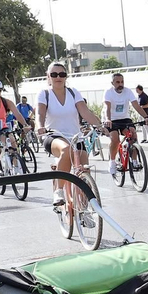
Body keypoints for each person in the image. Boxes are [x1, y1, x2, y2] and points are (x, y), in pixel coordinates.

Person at [36, 62, 107, 209]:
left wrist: (100, 125)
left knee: (83, 170)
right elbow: (40, 113)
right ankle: (58, 191)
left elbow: (85, 112)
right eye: (54, 75)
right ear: (48, 76)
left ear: (66, 76)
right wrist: (40, 126)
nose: (58, 78)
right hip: (53, 136)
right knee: (65, 149)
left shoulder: (73, 92)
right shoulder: (45, 93)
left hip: (76, 137)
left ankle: (83, 208)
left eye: (62, 74)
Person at [102, 72, 138, 177]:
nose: (120, 84)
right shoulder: (108, 92)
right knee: (115, 139)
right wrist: (108, 119)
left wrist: (146, 117)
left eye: (122, 81)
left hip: (124, 118)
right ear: (112, 83)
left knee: (133, 135)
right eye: (117, 82)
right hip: (112, 119)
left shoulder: (127, 91)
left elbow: (135, 105)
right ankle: (112, 162)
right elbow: (107, 107)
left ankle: (134, 161)